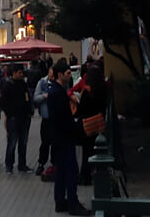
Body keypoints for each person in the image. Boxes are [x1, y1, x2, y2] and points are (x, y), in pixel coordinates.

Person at [48, 62, 91, 216]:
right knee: (71, 170)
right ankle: (72, 202)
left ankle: (60, 201)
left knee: (61, 171)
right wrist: (73, 129)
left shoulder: (57, 91)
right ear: (60, 75)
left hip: (60, 137)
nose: (69, 75)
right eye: (67, 73)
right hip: (64, 138)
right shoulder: (57, 93)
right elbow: (61, 118)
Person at [1, 64, 33, 174]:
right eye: (19, 72)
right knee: (12, 142)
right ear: (13, 73)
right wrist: (10, 114)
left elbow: (27, 98)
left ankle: (22, 165)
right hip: (13, 119)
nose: (21, 74)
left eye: (22, 72)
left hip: (24, 118)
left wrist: (29, 112)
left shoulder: (23, 84)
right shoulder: (7, 85)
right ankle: (9, 165)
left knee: (23, 143)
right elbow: (3, 103)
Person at [34, 66, 55, 176]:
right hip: (46, 118)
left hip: (56, 119)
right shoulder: (42, 83)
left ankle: (54, 163)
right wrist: (44, 96)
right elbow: (35, 98)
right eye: (51, 74)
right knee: (45, 142)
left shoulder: (60, 83)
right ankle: (41, 163)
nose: (52, 77)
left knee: (55, 142)